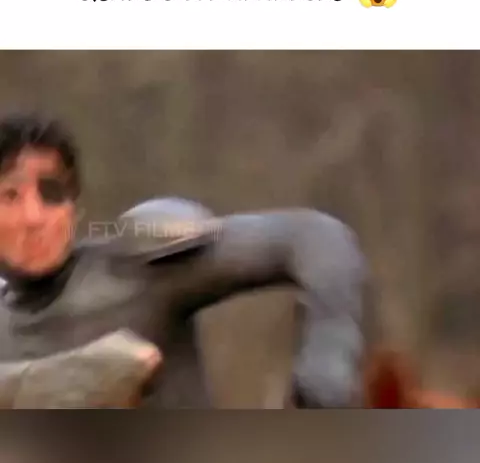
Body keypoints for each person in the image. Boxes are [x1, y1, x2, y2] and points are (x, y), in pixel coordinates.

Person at [0, 113, 368, 408]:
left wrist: (331, 348)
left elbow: (313, 237)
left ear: (74, 209)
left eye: (52, 194)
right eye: (10, 196)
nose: (34, 218)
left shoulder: (139, 271)